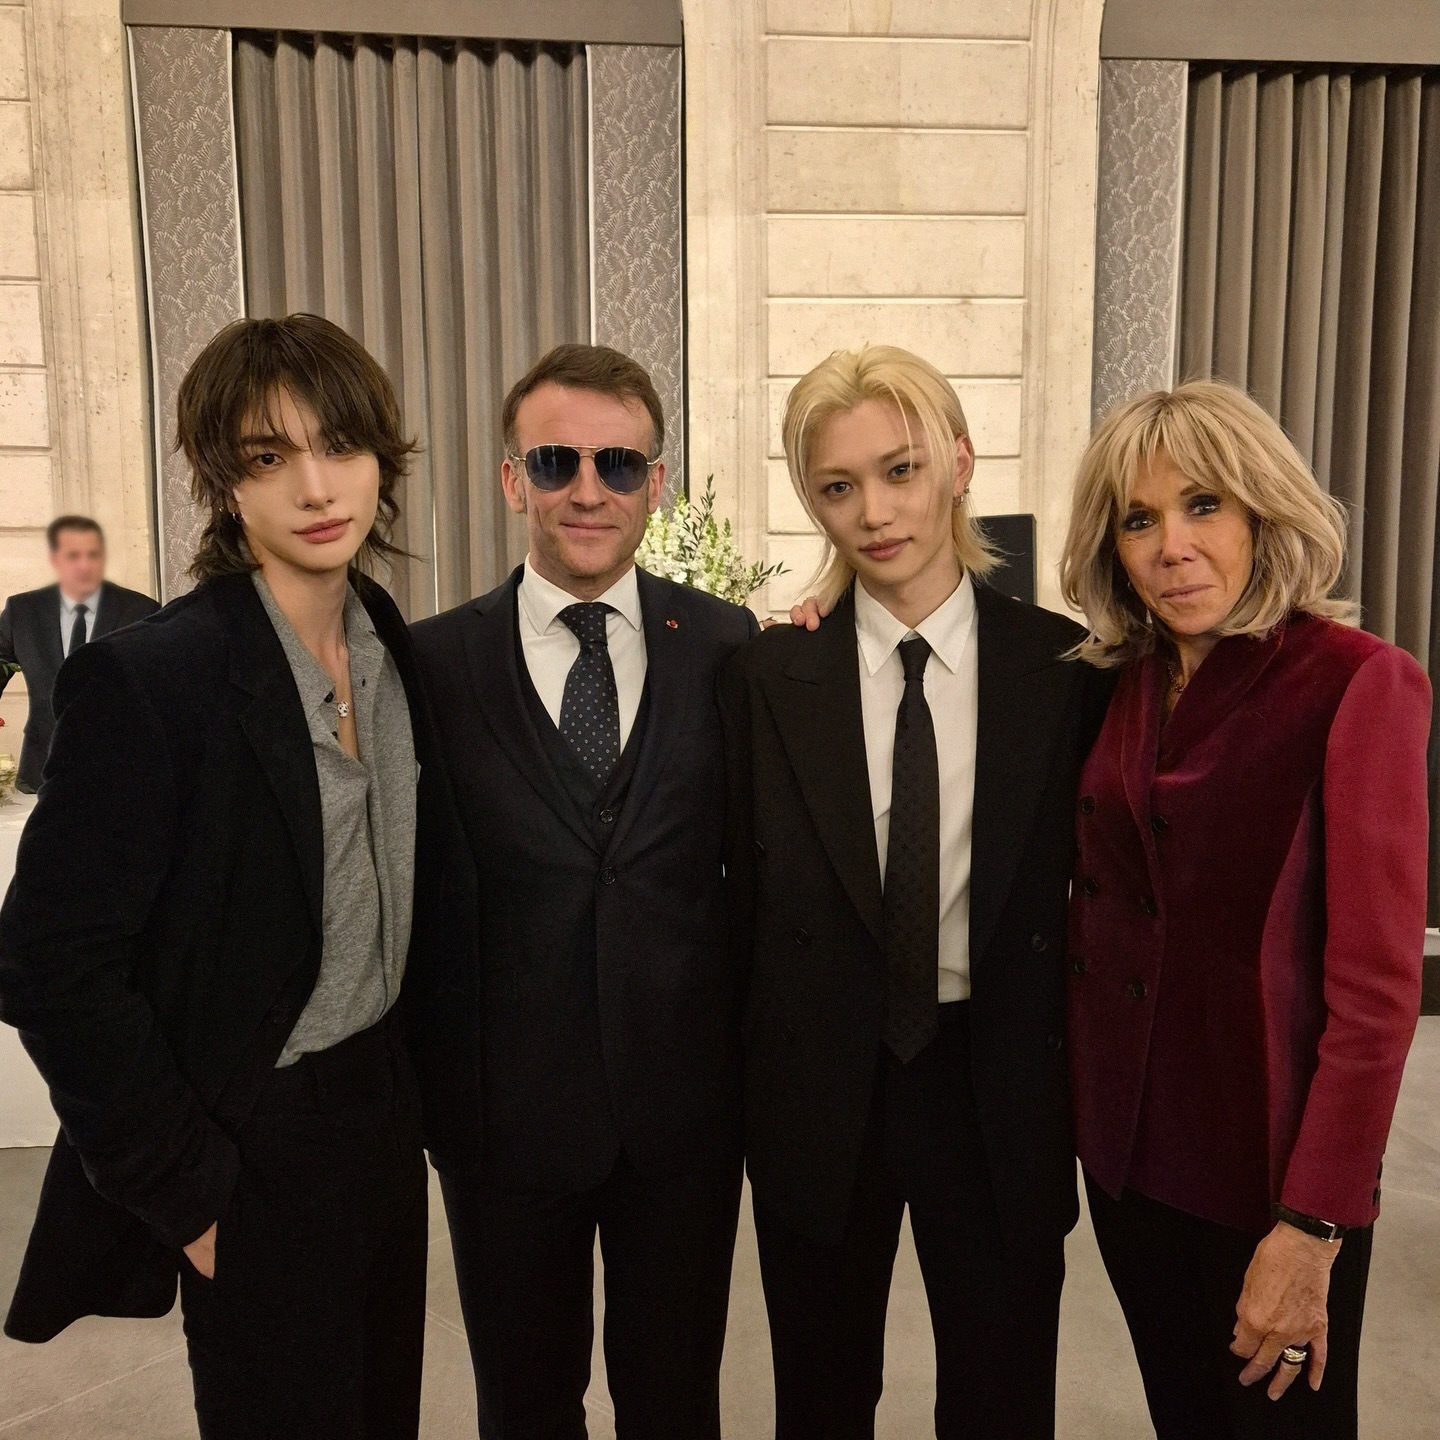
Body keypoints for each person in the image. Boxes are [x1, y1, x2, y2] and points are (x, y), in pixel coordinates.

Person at [0, 313, 472, 1440]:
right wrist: (186, 1192)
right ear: (224, 480)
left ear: (381, 458)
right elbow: (48, 964)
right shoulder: (154, 678)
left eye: (340, 445)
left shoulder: (387, 644)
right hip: (254, 1133)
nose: (316, 485)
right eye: (269, 455)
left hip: (380, 1113)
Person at [719, 344, 1110, 1439]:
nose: (876, 512)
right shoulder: (765, 678)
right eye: (838, 486)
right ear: (813, 502)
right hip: (820, 1088)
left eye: (900, 471)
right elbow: (737, 907)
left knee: (1000, 1403)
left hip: (996, 1085)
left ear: (959, 463)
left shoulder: (1068, 672)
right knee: (822, 1402)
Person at [1059, 380, 1430, 1440]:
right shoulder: (1118, 683)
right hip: (1130, 1167)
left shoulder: (1357, 682)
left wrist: (1313, 1225)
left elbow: (1377, 995)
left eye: (1204, 505)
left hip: (1269, 1179)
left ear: (1263, 511)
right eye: (1140, 520)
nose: (1172, 547)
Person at [407, 343, 758, 1439]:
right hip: (503, 1126)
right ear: (513, 480)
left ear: (658, 482)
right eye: (558, 462)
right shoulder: (431, 666)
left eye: (620, 464)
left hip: (684, 1121)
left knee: (675, 1404)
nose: (589, 490)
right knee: (523, 1406)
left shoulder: (727, 646)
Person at [0, 516, 158, 792]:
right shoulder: (22, 611)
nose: (84, 565)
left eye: (92, 555)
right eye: (73, 555)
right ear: (55, 559)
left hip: (119, 775)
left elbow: (161, 690)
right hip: (40, 773)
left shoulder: (141, 611)